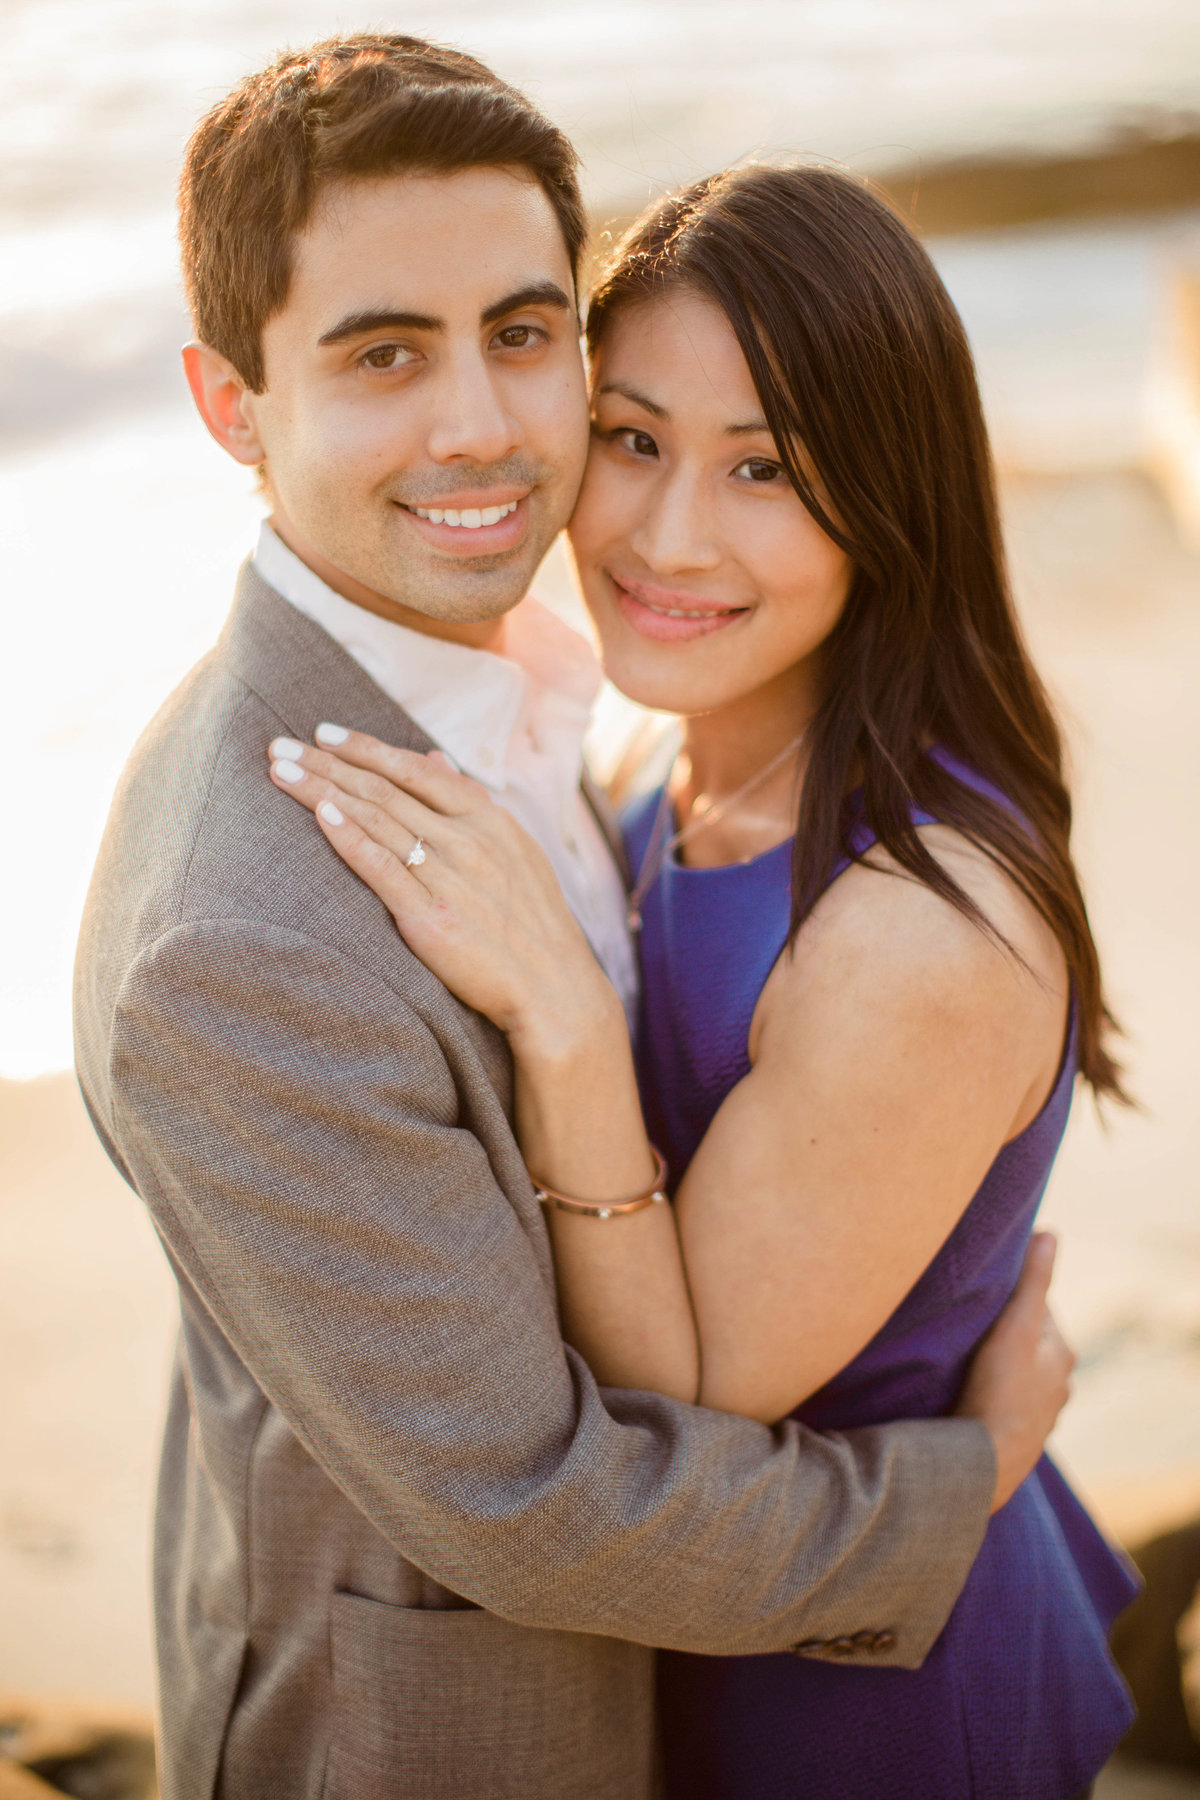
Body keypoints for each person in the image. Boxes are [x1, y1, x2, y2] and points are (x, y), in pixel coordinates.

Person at [74, 35, 1072, 1800]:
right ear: (233, 405)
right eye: (385, 351)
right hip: (457, 1729)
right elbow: (537, 1503)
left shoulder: (545, 692)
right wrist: (960, 1481)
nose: (483, 425)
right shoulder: (241, 935)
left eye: (525, 336)